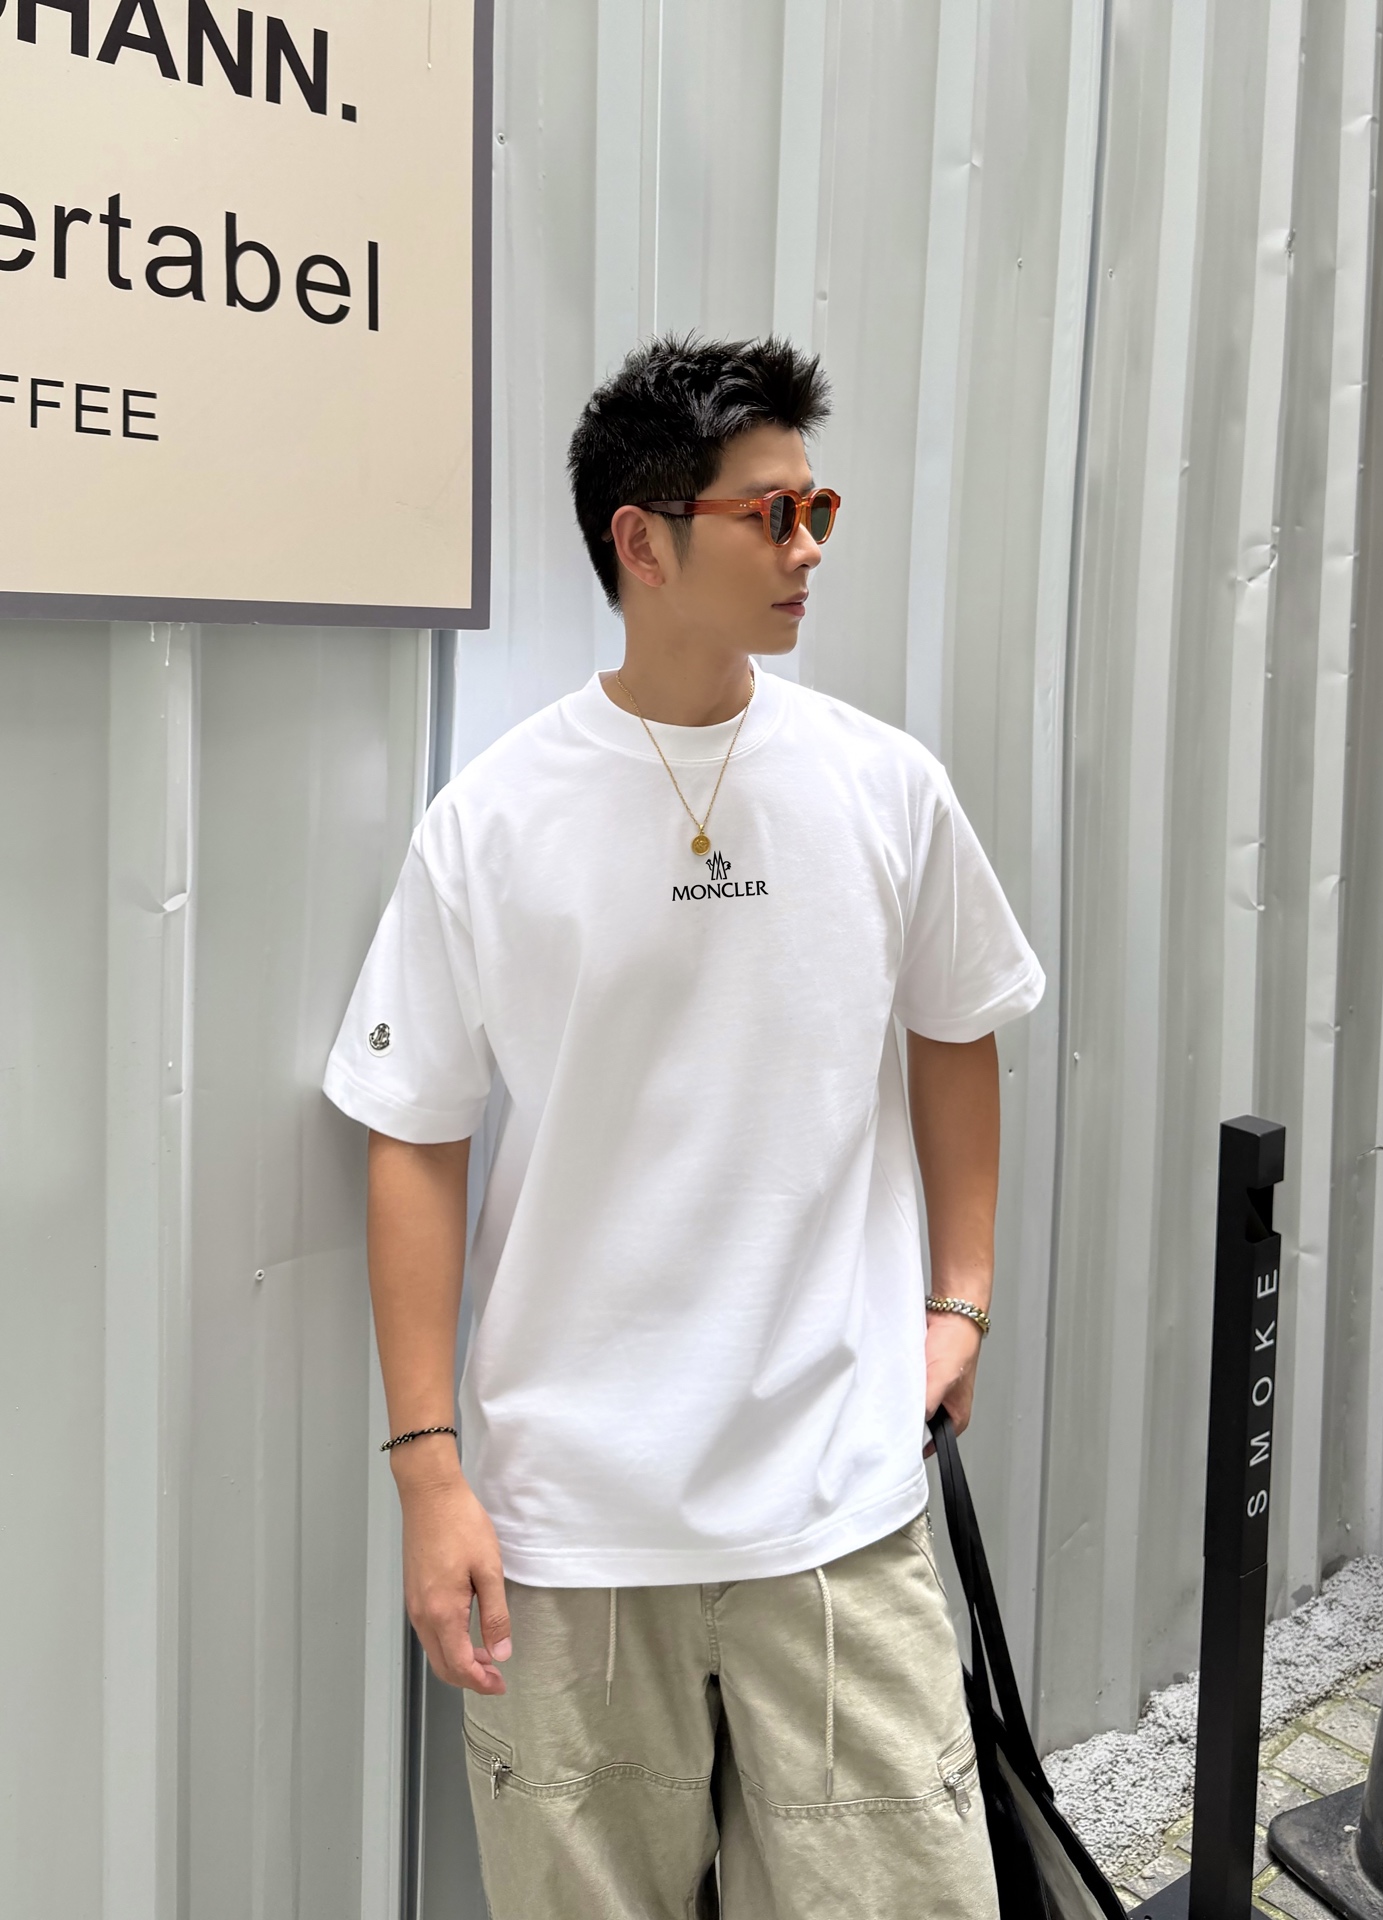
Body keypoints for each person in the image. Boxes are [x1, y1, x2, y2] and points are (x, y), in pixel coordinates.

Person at [324, 334, 1044, 1918]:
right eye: (771, 515)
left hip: (836, 1501)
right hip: (570, 1522)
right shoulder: (494, 821)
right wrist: (430, 1477)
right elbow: (414, 1137)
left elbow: (959, 1025)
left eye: (818, 509)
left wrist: (963, 1295)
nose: (809, 550)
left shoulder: (884, 787)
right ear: (640, 542)